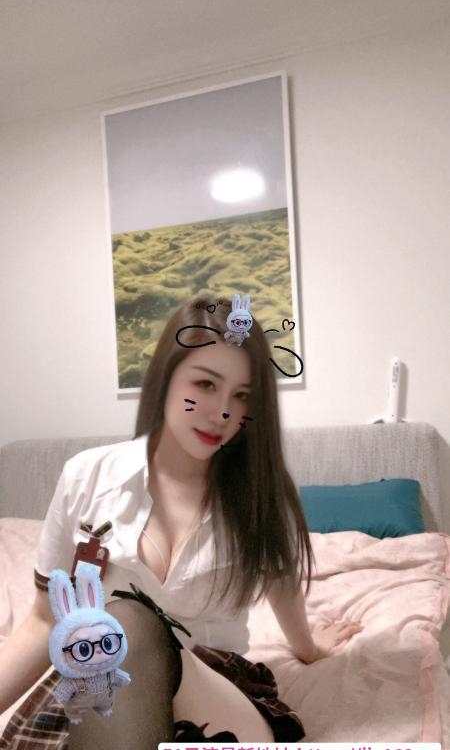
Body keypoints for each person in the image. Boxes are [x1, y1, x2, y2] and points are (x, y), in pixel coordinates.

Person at [0, 296, 362, 749]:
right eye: (205, 384)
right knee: (113, 635)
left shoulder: (261, 496)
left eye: (241, 396)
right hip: (105, 688)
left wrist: (308, 647)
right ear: (166, 377)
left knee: (122, 624)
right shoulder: (87, 476)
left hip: (213, 693)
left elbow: (281, 582)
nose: (222, 413)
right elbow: (45, 618)